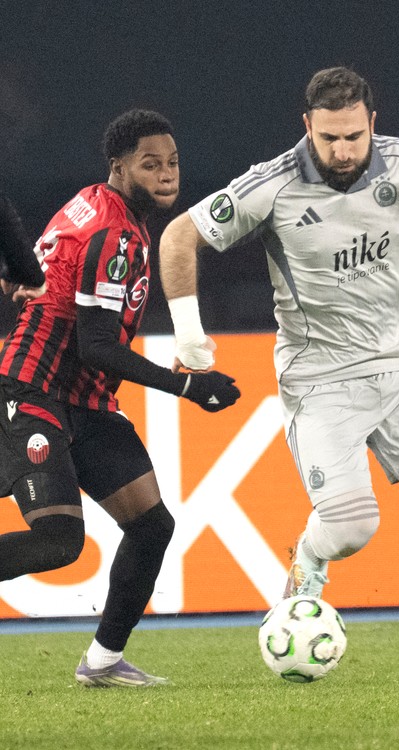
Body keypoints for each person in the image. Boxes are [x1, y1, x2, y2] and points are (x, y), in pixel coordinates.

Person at [157, 67, 399, 681]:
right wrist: (192, 338)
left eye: (353, 137)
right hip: (321, 381)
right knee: (353, 526)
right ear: (307, 126)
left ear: (372, 124)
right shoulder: (272, 185)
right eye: (329, 138)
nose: (342, 151)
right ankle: (308, 564)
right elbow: (178, 238)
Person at [0, 110, 242, 687]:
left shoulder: (89, 203)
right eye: (150, 164)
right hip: (34, 388)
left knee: (152, 525)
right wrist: (189, 385)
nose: (165, 175)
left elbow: (35, 279)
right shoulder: (116, 233)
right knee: (59, 541)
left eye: (173, 163)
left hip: (83, 401)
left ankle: (104, 663)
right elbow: (99, 347)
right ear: (120, 166)